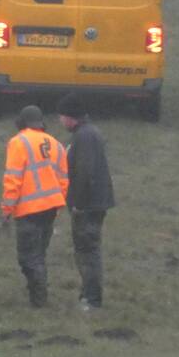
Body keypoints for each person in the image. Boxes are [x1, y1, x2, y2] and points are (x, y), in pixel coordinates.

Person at [1, 104, 69, 307]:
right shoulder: (56, 145)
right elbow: (64, 181)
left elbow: (13, 179)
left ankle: (39, 299)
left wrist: (6, 210)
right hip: (50, 209)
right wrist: (57, 206)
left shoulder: (18, 142)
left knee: (28, 258)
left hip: (28, 211)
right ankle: (37, 295)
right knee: (39, 253)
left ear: (21, 123)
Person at [57, 91, 115, 311]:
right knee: (86, 250)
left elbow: (85, 171)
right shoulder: (87, 133)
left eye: (61, 116)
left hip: (88, 205)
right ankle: (88, 294)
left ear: (70, 116)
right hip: (93, 202)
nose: (60, 120)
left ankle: (92, 299)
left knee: (87, 251)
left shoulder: (84, 136)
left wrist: (77, 203)